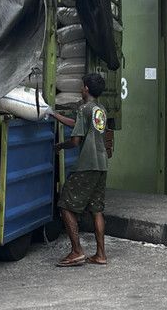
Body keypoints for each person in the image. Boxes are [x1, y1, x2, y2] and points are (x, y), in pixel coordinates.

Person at [50, 73, 109, 267]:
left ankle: (76, 251)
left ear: (86, 89)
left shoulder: (84, 108)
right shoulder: (100, 109)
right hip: (101, 164)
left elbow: (76, 140)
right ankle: (100, 254)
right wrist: (56, 115)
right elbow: (80, 126)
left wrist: (59, 146)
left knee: (66, 204)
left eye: (83, 86)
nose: (81, 88)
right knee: (96, 210)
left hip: (86, 164)